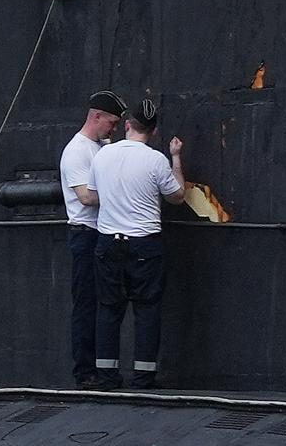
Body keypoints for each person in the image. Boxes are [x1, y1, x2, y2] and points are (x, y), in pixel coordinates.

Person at [89, 98, 187, 388]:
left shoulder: (101, 157)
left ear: (127, 125)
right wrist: (177, 158)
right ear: (154, 132)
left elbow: (93, 196)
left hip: (108, 242)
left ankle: (106, 376)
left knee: (108, 309)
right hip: (145, 245)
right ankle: (143, 377)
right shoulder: (156, 160)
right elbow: (177, 196)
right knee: (146, 311)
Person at [60, 89, 126, 388]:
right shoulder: (77, 151)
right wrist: (123, 193)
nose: (113, 129)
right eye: (110, 122)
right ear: (96, 117)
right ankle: (85, 371)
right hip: (85, 236)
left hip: (103, 235)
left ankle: (105, 369)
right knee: (86, 305)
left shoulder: (100, 148)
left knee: (108, 304)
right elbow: (86, 197)